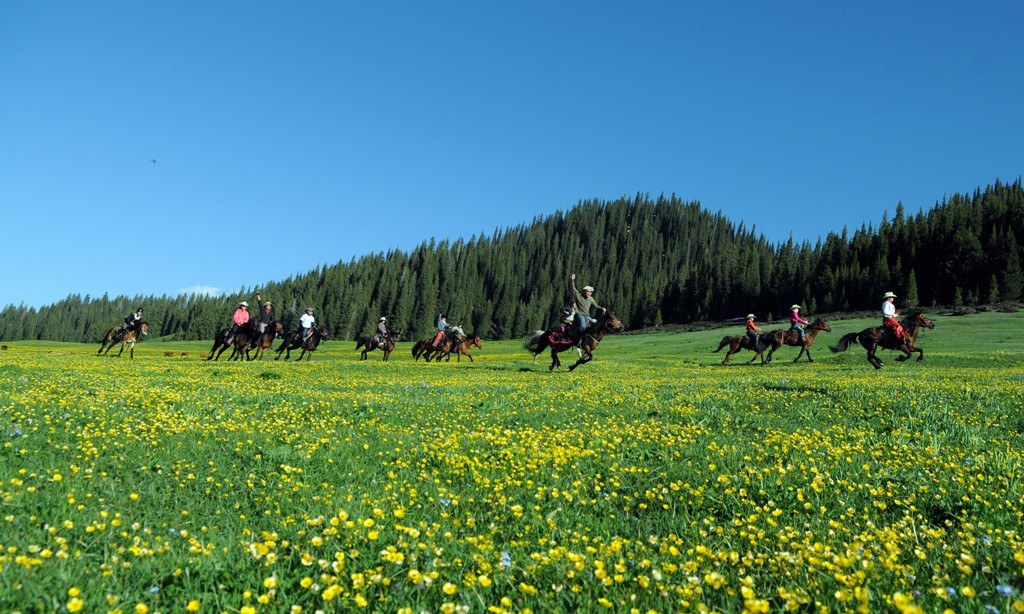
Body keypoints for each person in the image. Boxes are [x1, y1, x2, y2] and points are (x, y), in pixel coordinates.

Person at [570, 273, 603, 338]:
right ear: (584, 291)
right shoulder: (579, 295)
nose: (589, 293)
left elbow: (596, 306)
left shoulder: (591, 299)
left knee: (594, 325)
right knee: (583, 326)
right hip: (580, 314)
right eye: (588, 291)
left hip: (587, 315)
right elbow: (573, 289)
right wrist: (572, 280)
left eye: (590, 292)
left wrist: (602, 308)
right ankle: (580, 339)